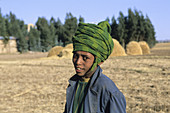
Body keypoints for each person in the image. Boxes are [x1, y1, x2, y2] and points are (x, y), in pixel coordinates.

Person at [64, 21, 126, 113]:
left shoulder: (109, 92)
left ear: (99, 61)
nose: (78, 62)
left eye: (85, 58)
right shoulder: (74, 84)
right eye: (76, 56)